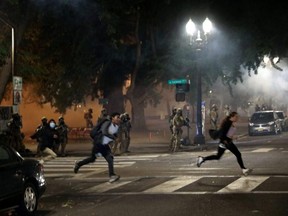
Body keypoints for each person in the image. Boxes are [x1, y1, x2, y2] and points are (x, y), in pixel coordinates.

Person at [196, 112, 252, 176]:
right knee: (237, 154)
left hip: (226, 142)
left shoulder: (230, 123)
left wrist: (233, 137)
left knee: (218, 156)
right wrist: (225, 141)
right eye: (236, 116)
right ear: (232, 117)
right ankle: (243, 169)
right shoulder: (227, 123)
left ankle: (202, 159)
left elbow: (227, 134)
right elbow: (222, 134)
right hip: (226, 143)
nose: (237, 118)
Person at [74, 112, 121, 183]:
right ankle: (112, 175)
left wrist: (115, 137)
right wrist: (113, 137)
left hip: (103, 144)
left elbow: (113, 133)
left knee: (95, 158)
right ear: (112, 118)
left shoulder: (114, 125)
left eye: (119, 117)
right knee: (106, 158)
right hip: (99, 143)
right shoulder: (107, 122)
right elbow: (104, 132)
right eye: (117, 117)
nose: (119, 119)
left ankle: (79, 164)